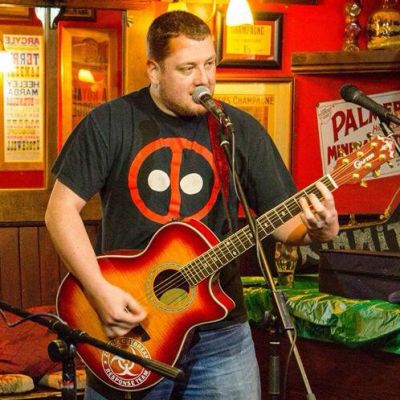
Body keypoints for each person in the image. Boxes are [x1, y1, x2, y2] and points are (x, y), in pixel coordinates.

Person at [45, 10, 339, 400]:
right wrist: (99, 291)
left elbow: (286, 226)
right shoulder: (109, 123)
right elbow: (60, 211)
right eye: (187, 68)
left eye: (210, 64)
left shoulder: (238, 129)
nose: (204, 79)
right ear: (154, 69)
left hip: (221, 333)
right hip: (135, 324)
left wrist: (321, 229)